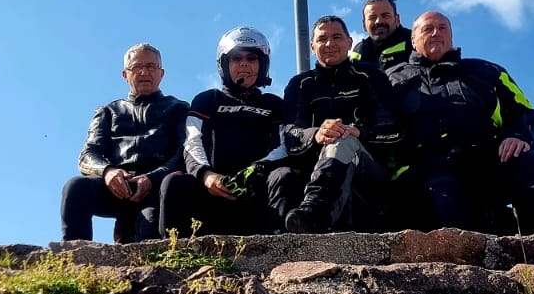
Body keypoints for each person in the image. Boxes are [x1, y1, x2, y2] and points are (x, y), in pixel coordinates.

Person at [385, 10, 534, 234]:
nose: (436, 33)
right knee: (448, 203)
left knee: (531, 163)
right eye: (427, 29)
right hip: (425, 167)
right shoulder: (389, 79)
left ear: (451, 36)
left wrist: (519, 135)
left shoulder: (487, 71)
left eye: (442, 28)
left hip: (484, 159)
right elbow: (377, 123)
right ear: (413, 39)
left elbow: (524, 110)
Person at [265, 15, 402, 233]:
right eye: (322, 39)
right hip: (313, 168)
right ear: (312, 47)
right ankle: (278, 241)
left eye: (337, 37)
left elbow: (395, 130)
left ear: (349, 42)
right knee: (280, 175)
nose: (329, 44)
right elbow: (290, 134)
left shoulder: (371, 76)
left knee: (342, 140)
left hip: (369, 172)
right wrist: (316, 134)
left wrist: (359, 132)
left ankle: (313, 214)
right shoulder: (299, 84)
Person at [159, 28, 285, 237]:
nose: (244, 63)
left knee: (285, 176)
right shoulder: (207, 100)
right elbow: (192, 141)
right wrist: (206, 175)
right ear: (224, 64)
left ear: (263, 64)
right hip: (213, 192)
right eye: (236, 58)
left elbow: (284, 144)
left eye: (251, 58)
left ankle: (282, 249)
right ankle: (174, 251)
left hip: (256, 192)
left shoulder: (274, 104)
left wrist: (257, 170)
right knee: (174, 183)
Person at [61, 44, 188, 242]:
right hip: (117, 186)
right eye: (136, 67)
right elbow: (87, 155)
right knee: (75, 187)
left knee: (149, 229)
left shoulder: (179, 109)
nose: (144, 72)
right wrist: (108, 171)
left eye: (151, 66)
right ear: (125, 74)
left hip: (157, 188)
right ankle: (73, 255)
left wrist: (153, 178)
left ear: (161, 73)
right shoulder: (108, 112)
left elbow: (183, 153)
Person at [350, 0, 413, 70]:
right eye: (372, 17)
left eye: (385, 16)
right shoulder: (359, 51)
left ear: (397, 20)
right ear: (364, 25)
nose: (379, 21)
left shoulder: (413, 41)